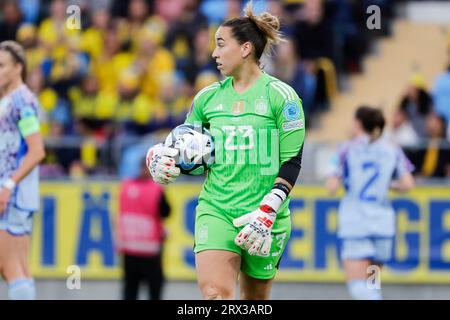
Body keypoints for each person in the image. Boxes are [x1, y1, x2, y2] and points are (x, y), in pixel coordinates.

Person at [147, 3, 305, 300]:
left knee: (254, 301)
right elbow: (185, 146)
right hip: (216, 209)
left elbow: (292, 160)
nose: (213, 54)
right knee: (214, 294)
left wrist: (268, 211)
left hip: (265, 215)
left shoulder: (282, 97)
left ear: (246, 48)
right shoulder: (207, 98)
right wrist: (158, 157)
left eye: (221, 45)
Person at [326, 106, 415, 300]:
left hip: (356, 225)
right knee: (372, 284)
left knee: (358, 287)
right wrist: (388, 185)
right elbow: (408, 183)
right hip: (383, 226)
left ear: (358, 123)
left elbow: (332, 185)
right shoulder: (392, 148)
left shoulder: (345, 148)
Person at [0, 40, 45, 299]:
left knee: (11, 267)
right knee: (14, 268)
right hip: (14, 192)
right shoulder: (10, 99)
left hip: (13, 194)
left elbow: (36, 150)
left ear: (18, 68)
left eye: (1, 65)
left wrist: (8, 185)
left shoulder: (21, 101)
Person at [116, 158, 171, 300]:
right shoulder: (156, 189)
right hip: (150, 251)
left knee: (130, 290)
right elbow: (166, 212)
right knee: (154, 290)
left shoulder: (126, 186)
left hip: (130, 249)